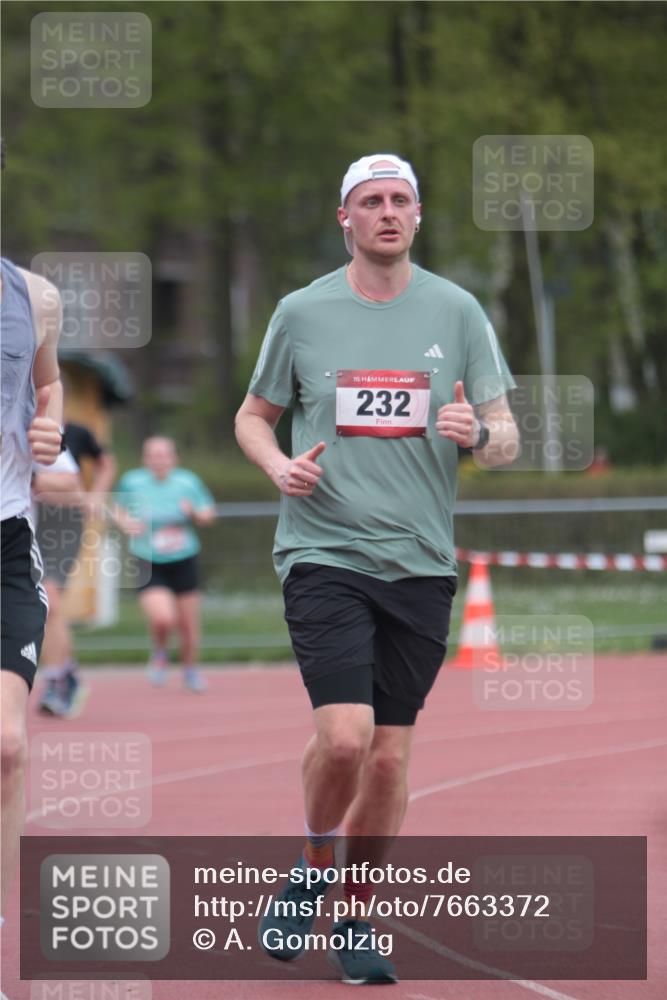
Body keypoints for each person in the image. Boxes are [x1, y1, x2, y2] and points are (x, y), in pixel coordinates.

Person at [235, 153, 520, 983]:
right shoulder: (301, 311)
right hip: (323, 551)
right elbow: (252, 417)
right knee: (344, 738)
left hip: (420, 563)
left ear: (417, 216)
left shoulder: (456, 309)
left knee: (389, 758)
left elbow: (505, 435)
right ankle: (313, 862)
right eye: (371, 201)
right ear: (345, 218)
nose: (387, 212)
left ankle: (354, 915)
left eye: (400, 200)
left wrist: (479, 434)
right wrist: (277, 465)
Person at [1, 247, 64, 924]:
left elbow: (49, 386)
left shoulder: (35, 296)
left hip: (7, 544)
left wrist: (50, 427)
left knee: (7, 745)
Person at [114, 437, 216, 692]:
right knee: (163, 618)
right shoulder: (132, 481)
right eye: (153, 455)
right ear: (145, 459)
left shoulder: (188, 482)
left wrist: (193, 513)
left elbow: (208, 514)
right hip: (148, 559)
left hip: (183, 558)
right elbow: (117, 508)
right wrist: (126, 523)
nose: (158, 460)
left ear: (174, 458)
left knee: (188, 625)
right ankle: (160, 652)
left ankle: (190, 670)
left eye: (163, 455)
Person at [33, 423, 116, 717]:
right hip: (21, 518)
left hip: (61, 522)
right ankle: (67, 672)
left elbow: (105, 463)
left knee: (50, 599)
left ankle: (57, 681)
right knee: (35, 606)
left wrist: (96, 496)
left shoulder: (73, 432)